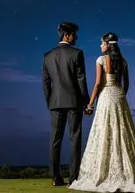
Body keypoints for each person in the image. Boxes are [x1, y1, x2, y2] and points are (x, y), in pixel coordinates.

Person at [69, 32, 135, 192]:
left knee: (104, 130)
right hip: (119, 97)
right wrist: (120, 95)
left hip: (107, 97)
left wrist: (90, 104)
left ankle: (103, 171)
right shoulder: (123, 61)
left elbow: (98, 84)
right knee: (122, 131)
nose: (100, 46)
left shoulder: (101, 60)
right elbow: (126, 83)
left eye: (102, 43)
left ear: (108, 44)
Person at [42, 21, 90, 187]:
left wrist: (50, 102)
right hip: (74, 102)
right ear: (67, 35)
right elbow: (81, 80)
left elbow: (46, 83)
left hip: (55, 103)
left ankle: (55, 178)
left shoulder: (48, 55)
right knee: (74, 139)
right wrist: (86, 102)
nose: (76, 37)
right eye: (74, 34)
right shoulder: (77, 53)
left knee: (55, 141)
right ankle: (74, 179)